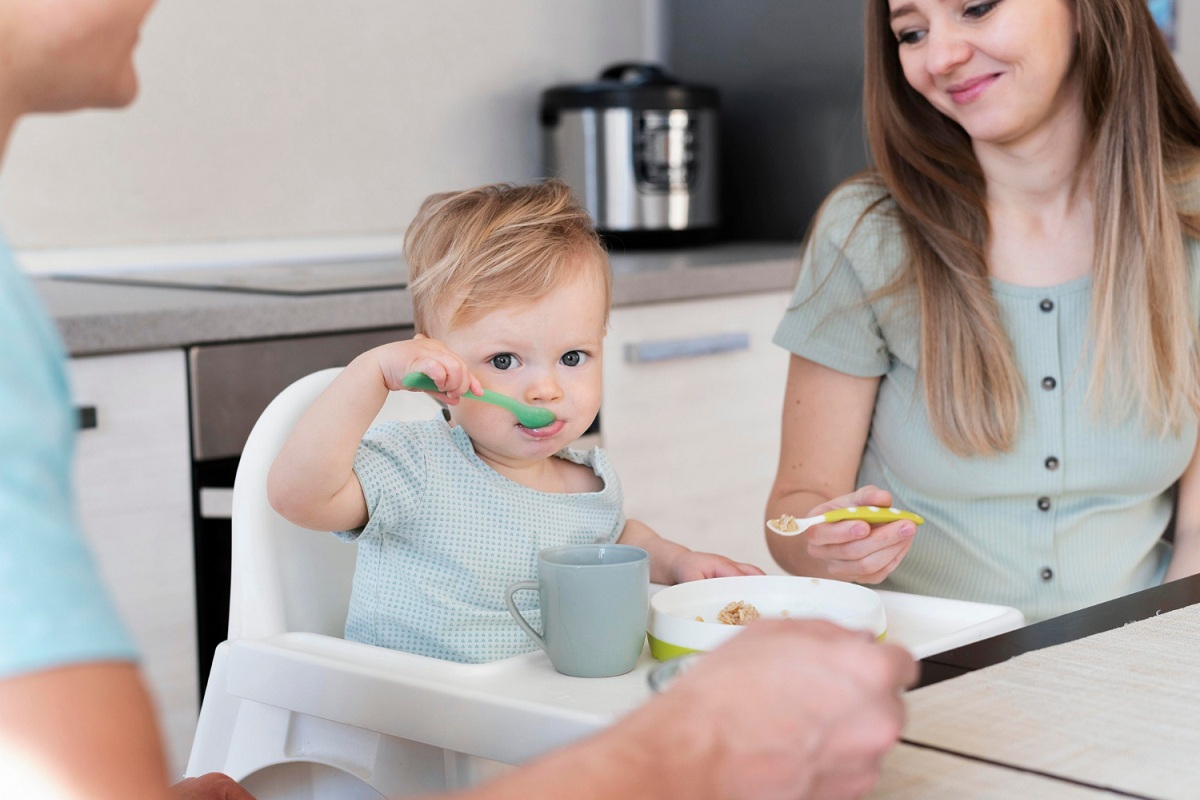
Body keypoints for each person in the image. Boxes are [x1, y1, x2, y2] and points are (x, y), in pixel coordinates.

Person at [766, 0, 1200, 624]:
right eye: (912, 33)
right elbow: (793, 511)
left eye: (976, 8)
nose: (940, 58)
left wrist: (1157, 662)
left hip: (1137, 657)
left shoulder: (1188, 221)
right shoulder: (868, 232)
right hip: (927, 670)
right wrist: (827, 547)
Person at [268, 180, 762, 663]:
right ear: (434, 358)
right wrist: (369, 375)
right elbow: (299, 498)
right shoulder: (416, 466)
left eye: (573, 357)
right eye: (505, 361)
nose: (546, 389)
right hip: (416, 719)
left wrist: (676, 562)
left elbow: (613, 540)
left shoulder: (587, 481)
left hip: (526, 720)